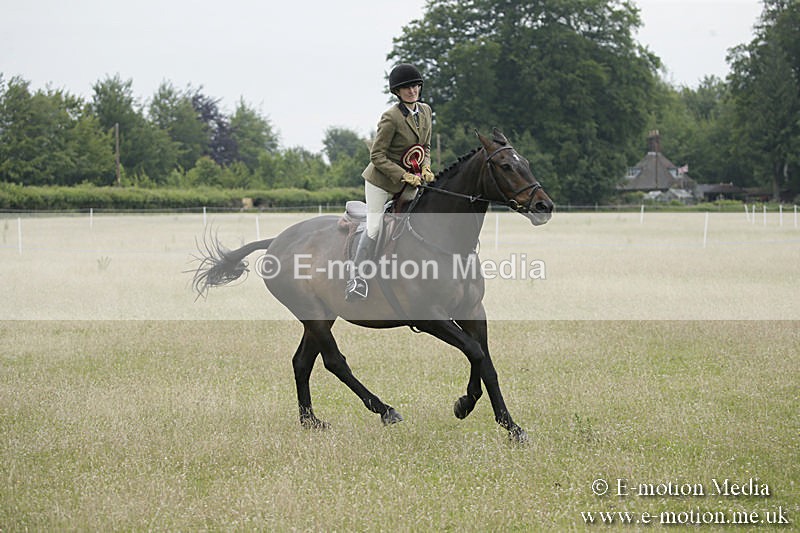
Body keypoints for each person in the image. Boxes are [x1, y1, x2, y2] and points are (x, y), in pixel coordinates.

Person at [345, 63, 436, 301]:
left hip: (412, 181)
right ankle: (358, 278)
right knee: (375, 225)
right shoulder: (391, 117)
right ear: (397, 92)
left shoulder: (426, 111)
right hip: (382, 182)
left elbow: (424, 147)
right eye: (406, 87)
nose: (412, 90)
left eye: (415, 85)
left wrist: (425, 166)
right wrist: (403, 175)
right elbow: (377, 156)